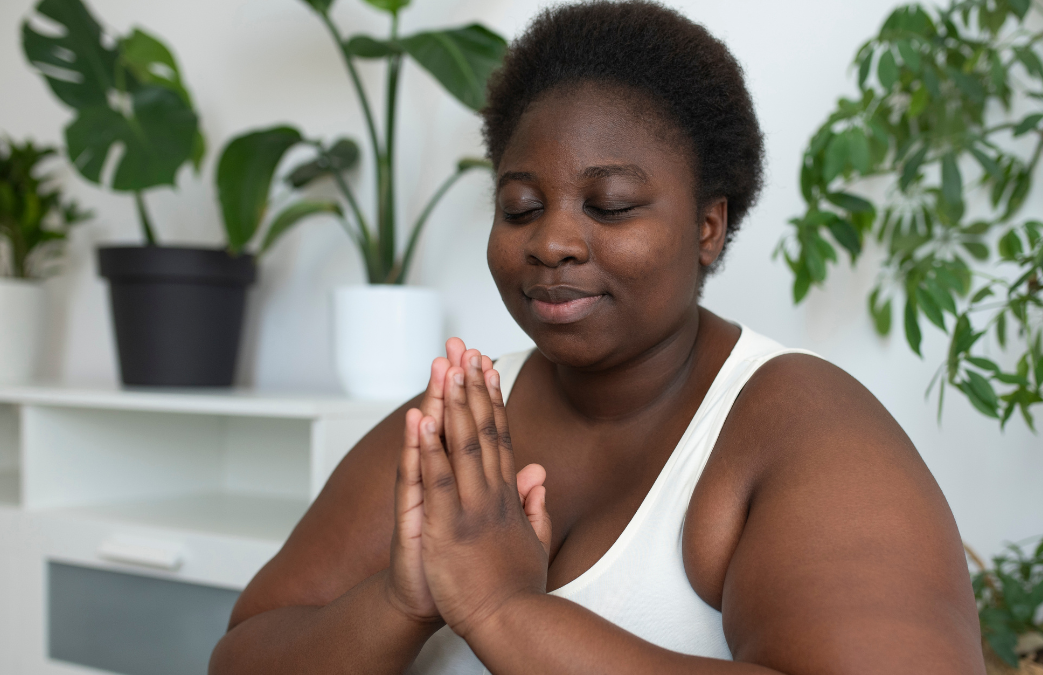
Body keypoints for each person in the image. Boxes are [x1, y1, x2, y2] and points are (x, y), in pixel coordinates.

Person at [208, 2, 985, 673]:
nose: (551, 241)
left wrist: (502, 608)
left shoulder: (806, 429)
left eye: (608, 205)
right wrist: (398, 602)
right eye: (519, 206)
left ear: (707, 226)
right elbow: (242, 655)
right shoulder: (461, 419)